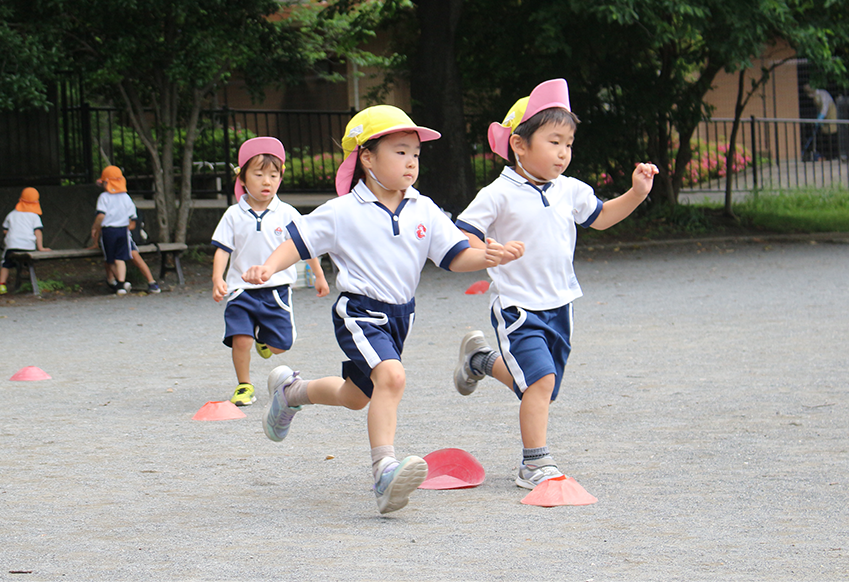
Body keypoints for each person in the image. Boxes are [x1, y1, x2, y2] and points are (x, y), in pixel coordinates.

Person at [242, 106, 515, 514]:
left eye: (416, 155)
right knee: (392, 375)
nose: (411, 162)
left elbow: (456, 256)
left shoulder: (424, 208)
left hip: (401, 315)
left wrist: (489, 258)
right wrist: (268, 266)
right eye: (400, 152)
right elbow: (298, 244)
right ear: (367, 158)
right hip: (359, 312)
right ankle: (384, 472)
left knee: (357, 396)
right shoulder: (343, 211)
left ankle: (291, 392)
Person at [452, 79, 658, 492]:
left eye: (568, 143)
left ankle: (480, 361)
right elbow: (464, 234)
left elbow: (601, 217)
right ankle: (534, 463)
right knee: (540, 382)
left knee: (539, 388)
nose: (563, 152)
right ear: (520, 145)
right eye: (554, 141)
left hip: (561, 305)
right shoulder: (498, 193)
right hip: (516, 306)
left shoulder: (571, 190)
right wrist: (487, 251)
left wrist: (636, 193)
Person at [212, 137, 330, 407]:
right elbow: (222, 249)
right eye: (259, 174)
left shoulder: (287, 213)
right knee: (240, 340)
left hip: (276, 292)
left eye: (273, 175)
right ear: (242, 178)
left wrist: (319, 275)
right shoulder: (232, 214)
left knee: (281, 346)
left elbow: (306, 246)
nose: (267, 181)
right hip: (240, 291)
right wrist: (217, 278)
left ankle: (265, 342)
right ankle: (244, 385)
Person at [0, 187, 51, 294]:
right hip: (28, 246)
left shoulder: (11, 214)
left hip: (12, 245)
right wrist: (41, 247)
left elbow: (5, 231)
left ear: (20, 199)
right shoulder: (34, 216)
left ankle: (2, 285)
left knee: (5, 264)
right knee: (27, 262)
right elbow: (38, 232)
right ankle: (31, 282)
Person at [89, 166, 138, 296]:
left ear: (106, 182)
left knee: (110, 259)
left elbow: (100, 215)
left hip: (109, 231)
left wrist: (95, 227)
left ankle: (120, 284)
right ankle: (122, 283)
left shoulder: (104, 197)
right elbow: (132, 216)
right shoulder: (126, 197)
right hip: (123, 230)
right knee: (121, 258)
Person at [803, 83, 838, 160]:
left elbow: (824, 109)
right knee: (823, 134)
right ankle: (825, 155)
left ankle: (833, 155)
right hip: (823, 118)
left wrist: (820, 118)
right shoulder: (815, 98)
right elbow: (819, 109)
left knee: (831, 132)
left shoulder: (822, 94)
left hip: (830, 114)